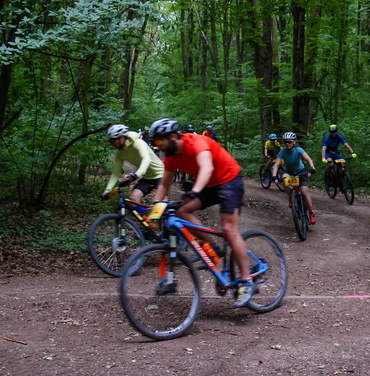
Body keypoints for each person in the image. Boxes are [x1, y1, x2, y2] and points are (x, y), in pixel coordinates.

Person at [148, 118, 255, 308]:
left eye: (159, 141)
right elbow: (164, 184)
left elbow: (207, 168)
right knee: (181, 210)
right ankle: (212, 246)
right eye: (155, 143)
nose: (158, 146)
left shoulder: (196, 142)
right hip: (209, 185)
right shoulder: (171, 158)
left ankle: (247, 281)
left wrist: (195, 191)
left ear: (172, 136)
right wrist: (156, 206)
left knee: (229, 229)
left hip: (229, 180)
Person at [102, 124, 164, 202]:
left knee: (159, 201)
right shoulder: (120, 153)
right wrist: (107, 191)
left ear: (121, 138)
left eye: (113, 141)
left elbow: (146, 159)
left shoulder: (137, 143)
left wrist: (136, 175)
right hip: (147, 177)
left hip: (161, 174)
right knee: (133, 198)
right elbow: (115, 173)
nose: (111, 144)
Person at [272, 132, 317, 224]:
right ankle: (290, 197)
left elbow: (308, 159)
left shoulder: (298, 149)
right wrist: (274, 176)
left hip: (301, 171)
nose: (287, 144)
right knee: (284, 180)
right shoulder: (283, 151)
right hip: (289, 172)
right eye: (285, 142)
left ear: (294, 142)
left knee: (304, 192)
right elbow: (276, 165)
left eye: (289, 142)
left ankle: (311, 212)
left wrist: (312, 167)